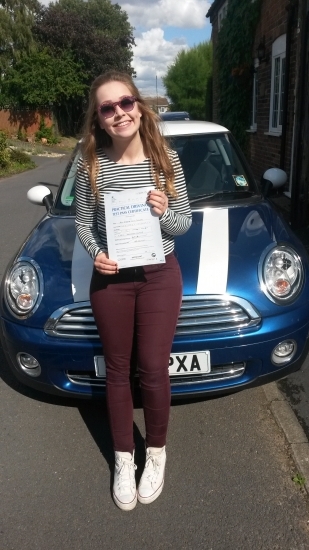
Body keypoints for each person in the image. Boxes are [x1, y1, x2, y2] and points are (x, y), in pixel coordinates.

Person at [75, 70, 192, 511]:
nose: (119, 113)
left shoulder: (166, 161)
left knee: (153, 368)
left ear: (139, 106)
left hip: (160, 275)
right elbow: (83, 225)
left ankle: (156, 454)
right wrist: (97, 253)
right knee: (118, 370)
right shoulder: (91, 164)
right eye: (108, 108)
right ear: (99, 119)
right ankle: (124, 458)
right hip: (112, 279)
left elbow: (183, 224)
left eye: (125, 103)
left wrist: (164, 211)